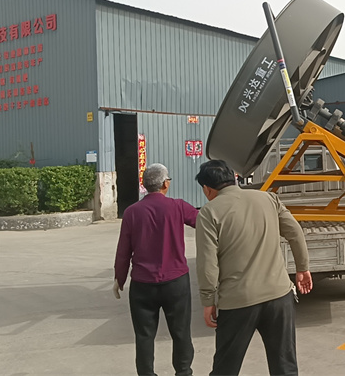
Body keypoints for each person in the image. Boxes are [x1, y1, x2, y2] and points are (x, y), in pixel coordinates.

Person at [194, 159, 312, 376]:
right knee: (285, 367)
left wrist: (208, 300)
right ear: (233, 178)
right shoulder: (267, 198)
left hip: (238, 301)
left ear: (207, 189)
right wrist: (302, 268)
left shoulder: (209, 213)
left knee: (225, 368)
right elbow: (295, 232)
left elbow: (207, 263)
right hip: (279, 296)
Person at [113, 163, 198, 376]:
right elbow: (204, 222)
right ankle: (183, 372)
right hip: (176, 282)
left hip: (142, 285)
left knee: (144, 335)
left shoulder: (132, 212)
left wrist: (119, 278)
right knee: (181, 332)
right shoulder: (178, 206)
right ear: (165, 184)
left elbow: (123, 250)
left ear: (145, 185)